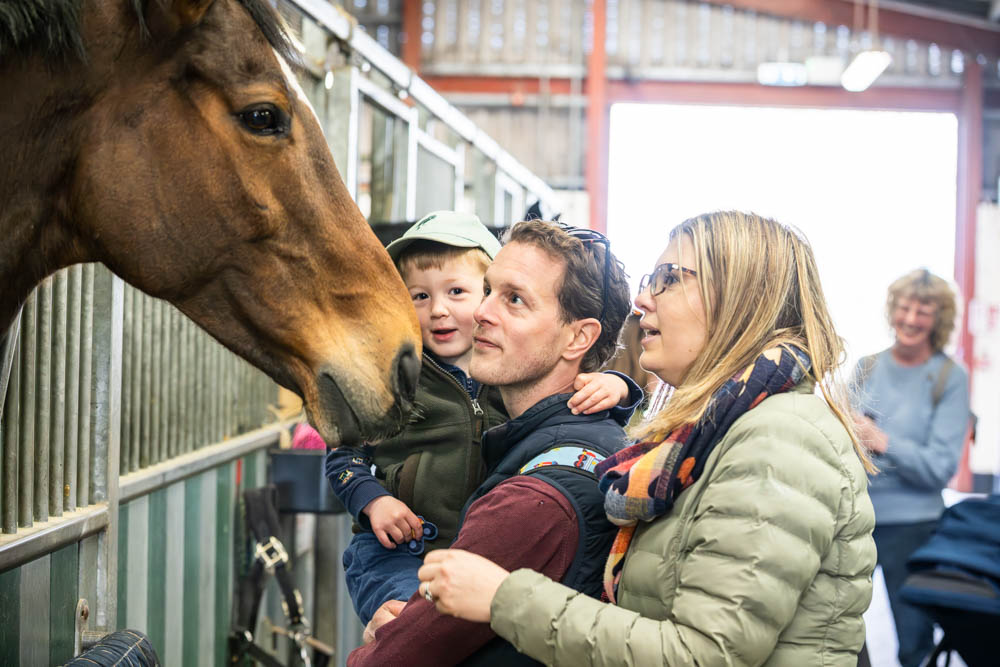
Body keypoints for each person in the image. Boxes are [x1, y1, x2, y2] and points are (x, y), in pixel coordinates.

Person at [416, 211, 878, 666]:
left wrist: (503, 597)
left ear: (739, 298)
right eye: (648, 279)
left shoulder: (779, 438)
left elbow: (705, 654)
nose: (642, 300)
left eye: (669, 279)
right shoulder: (709, 432)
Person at [323, 212, 640, 624]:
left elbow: (589, 402)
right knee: (403, 625)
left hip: (471, 554)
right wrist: (372, 500)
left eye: (458, 291)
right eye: (418, 296)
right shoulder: (394, 377)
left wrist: (618, 386)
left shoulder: (513, 378)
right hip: (401, 548)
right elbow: (344, 453)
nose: (439, 310)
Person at [852, 268, 970, 667]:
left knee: (914, 643)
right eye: (905, 307)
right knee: (838, 633)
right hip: (857, 523)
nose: (911, 319)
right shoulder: (866, 367)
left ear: (939, 320)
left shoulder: (949, 379)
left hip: (914, 528)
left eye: (924, 311)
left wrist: (882, 442)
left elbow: (939, 468)